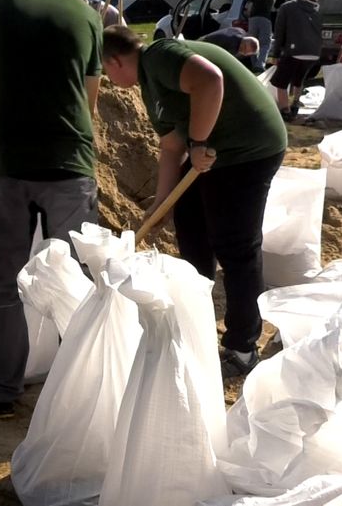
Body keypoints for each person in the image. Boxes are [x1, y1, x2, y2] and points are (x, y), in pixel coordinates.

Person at [101, 25, 287, 379]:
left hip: (249, 149)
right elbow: (172, 146)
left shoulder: (160, 56)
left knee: (236, 246)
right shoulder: (150, 85)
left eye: (106, 72)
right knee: (190, 225)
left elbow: (210, 80)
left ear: (114, 61)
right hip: (217, 152)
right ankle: (195, 321)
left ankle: (242, 348)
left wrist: (199, 143)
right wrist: (161, 203)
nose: (109, 80)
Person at [0, 0, 103, 418]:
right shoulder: (87, 16)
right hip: (70, 164)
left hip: (9, 163)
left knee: (5, 278)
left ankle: (3, 387)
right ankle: (79, 393)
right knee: (78, 279)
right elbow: (90, 102)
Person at [268, 0, 322, 120]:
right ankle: (295, 104)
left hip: (294, 50)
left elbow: (279, 31)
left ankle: (285, 111)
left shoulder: (287, 7)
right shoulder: (316, 9)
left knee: (280, 82)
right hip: (313, 52)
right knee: (299, 79)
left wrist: (275, 54)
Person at [246, 0, 274, 72]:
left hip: (253, 19)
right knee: (265, 43)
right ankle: (260, 64)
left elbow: (248, 7)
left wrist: (249, 17)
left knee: (252, 42)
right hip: (265, 20)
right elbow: (272, 9)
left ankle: (254, 64)